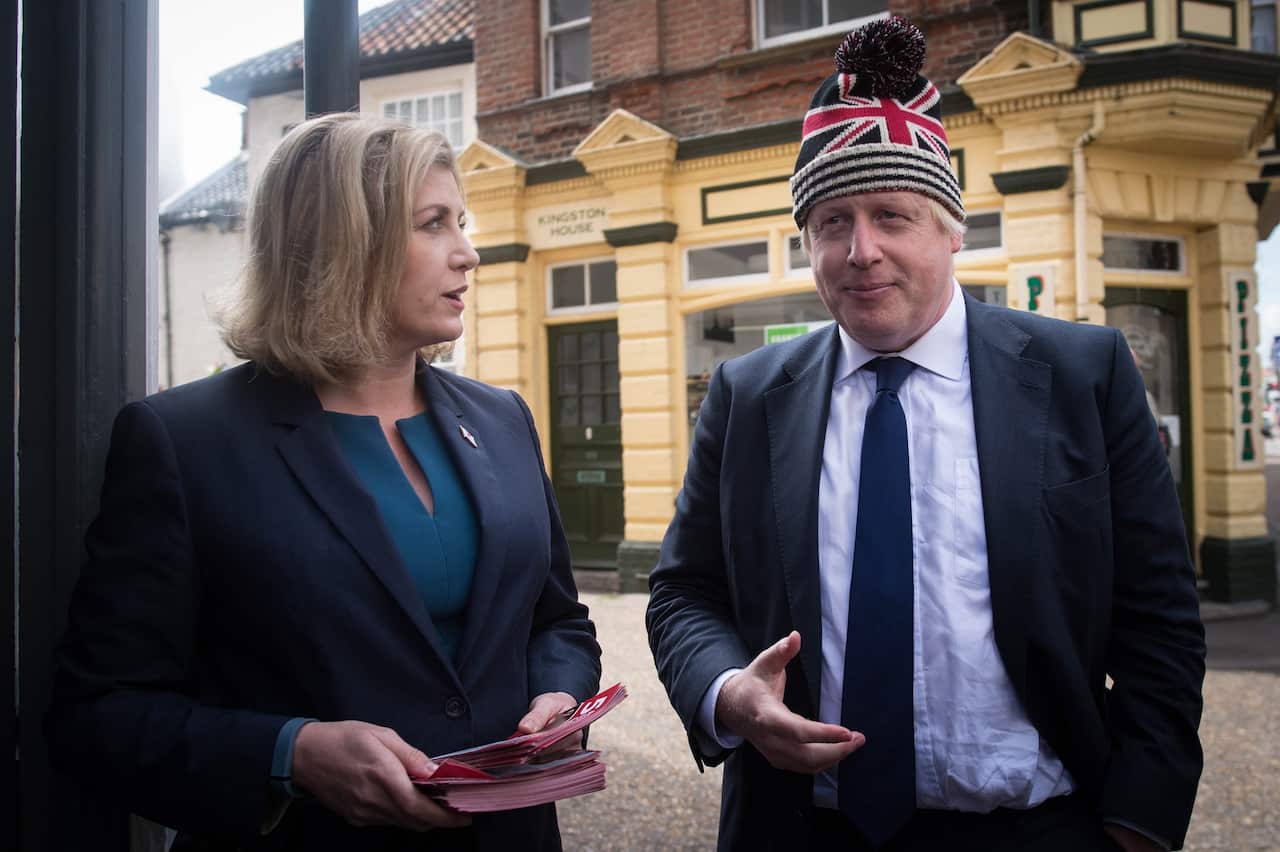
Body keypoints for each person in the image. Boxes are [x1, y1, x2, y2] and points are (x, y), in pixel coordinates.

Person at [646, 17, 1204, 852]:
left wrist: (1137, 824)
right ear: (807, 243)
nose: (861, 250)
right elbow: (685, 592)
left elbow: (1160, 619)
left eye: (891, 214)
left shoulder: (1083, 375)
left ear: (953, 228)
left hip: (1034, 829)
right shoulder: (748, 394)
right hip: (801, 829)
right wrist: (729, 694)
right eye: (832, 222)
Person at [46, 113, 601, 851]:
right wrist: (291, 755)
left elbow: (556, 620)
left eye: (460, 222)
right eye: (433, 224)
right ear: (344, 242)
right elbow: (100, 714)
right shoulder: (185, 442)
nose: (467, 253)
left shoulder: (502, 420)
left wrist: (560, 693)